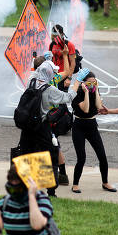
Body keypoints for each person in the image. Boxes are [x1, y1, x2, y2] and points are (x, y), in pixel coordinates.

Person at [17, 60, 82, 196]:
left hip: (27, 125)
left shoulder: (31, 81)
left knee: (26, 154)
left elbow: (36, 72)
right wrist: (77, 82)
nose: (55, 74)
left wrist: (43, 62)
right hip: (42, 125)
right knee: (51, 154)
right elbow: (68, 97)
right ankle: (51, 190)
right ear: (49, 74)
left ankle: (25, 186)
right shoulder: (50, 90)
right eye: (53, 72)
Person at [71, 72, 118, 193]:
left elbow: (98, 106)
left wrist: (96, 90)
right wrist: (86, 92)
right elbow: (86, 109)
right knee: (81, 158)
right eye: (89, 82)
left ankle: (105, 182)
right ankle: (75, 184)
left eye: (94, 82)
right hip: (79, 127)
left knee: (102, 156)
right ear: (83, 83)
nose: (92, 84)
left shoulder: (95, 91)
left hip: (92, 126)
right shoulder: (76, 94)